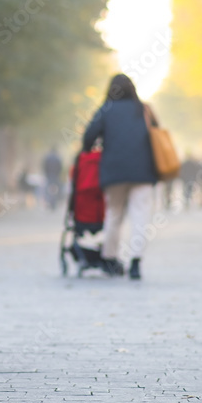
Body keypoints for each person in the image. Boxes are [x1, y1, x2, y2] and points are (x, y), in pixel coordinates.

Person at [82, 73, 159, 280]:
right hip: (143, 172)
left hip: (114, 171)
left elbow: (88, 136)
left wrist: (90, 149)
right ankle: (135, 262)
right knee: (140, 217)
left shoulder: (106, 109)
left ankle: (109, 258)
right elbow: (156, 133)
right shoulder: (143, 109)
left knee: (114, 214)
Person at [43, 146, 63, 211]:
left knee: (48, 190)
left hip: (49, 176)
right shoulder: (58, 158)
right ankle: (55, 202)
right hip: (56, 176)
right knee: (57, 190)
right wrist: (58, 174)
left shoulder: (47, 158)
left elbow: (44, 166)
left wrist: (46, 174)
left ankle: (49, 201)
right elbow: (60, 167)